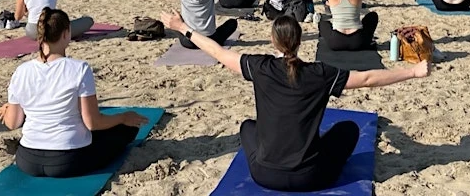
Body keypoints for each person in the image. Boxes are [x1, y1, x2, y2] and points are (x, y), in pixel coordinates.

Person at [161, 12, 431, 192]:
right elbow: (368, 78)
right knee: (348, 129)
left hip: (263, 174)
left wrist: (182, 27)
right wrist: (413, 72)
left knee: (247, 127)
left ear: (273, 42)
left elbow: (218, 52)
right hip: (311, 177)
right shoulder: (320, 73)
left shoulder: (260, 67)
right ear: (301, 41)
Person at [0, 8, 148, 178]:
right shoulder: (79, 68)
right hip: (68, 160)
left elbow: (12, 123)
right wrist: (123, 117)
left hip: (28, 160)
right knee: (126, 130)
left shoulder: (21, 71)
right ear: (66, 33)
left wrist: (8, 107)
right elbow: (93, 123)